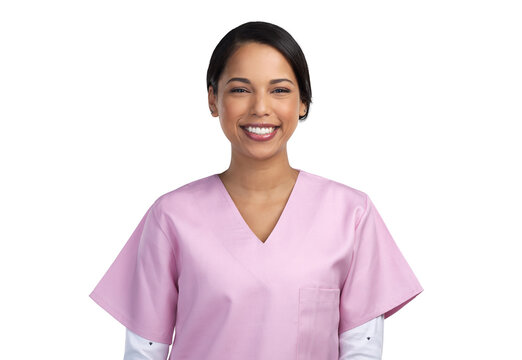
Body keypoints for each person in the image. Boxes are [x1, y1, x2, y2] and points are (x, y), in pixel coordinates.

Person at [89, 21, 423, 360]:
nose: (260, 107)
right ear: (213, 99)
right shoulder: (171, 217)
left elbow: (360, 350)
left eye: (279, 90)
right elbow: (145, 351)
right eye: (239, 89)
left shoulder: (351, 214)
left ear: (303, 103)